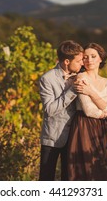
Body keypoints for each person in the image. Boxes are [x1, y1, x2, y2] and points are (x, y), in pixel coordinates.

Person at [67, 42, 107, 180]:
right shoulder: (81, 78)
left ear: (100, 59)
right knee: (87, 168)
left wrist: (91, 92)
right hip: (84, 126)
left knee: (103, 166)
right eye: (85, 57)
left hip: (102, 127)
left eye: (93, 56)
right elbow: (89, 110)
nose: (89, 60)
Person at [39, 40, 84, 180]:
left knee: (69, 178)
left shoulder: (82, 75)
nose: (82, 64)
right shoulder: (47, 79)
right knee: (46, 178)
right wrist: (72, 91)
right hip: (52, 137)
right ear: (66, 61)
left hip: (74, 137)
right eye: (78, 61)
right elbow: (50, 109)